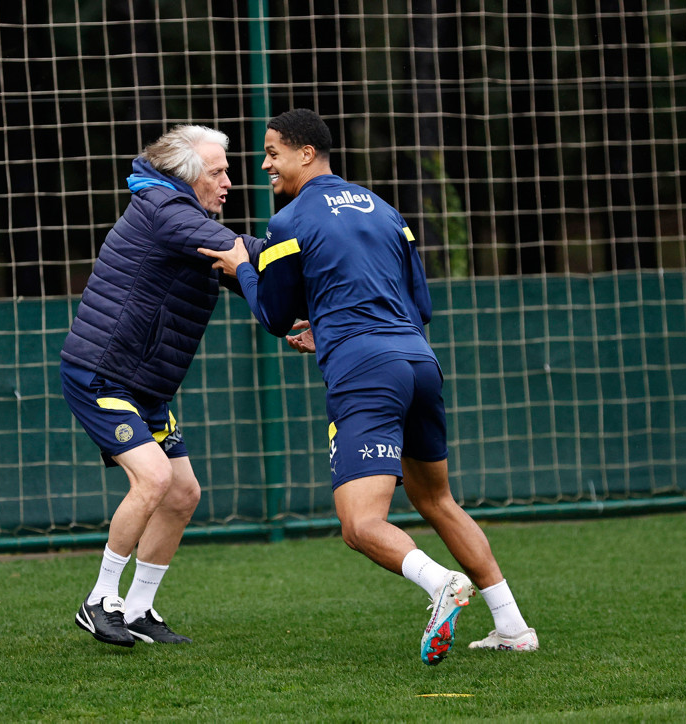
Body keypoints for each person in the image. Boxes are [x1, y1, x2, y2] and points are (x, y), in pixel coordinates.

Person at [198, 109, 538, 665]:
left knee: (359, 524)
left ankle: (440, 584)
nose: (264, 165)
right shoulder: (385, 211)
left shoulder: (289, 222)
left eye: (272, 152)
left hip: (365, 371)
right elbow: (419, 305)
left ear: (306, 154)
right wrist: (332, 323)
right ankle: (514, 626)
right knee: (437, 499)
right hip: (419, 360)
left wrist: (243, 269)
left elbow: (276, 315)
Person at [61, 124, 262, 647]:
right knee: (152, 480)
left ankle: (138, 608)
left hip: (146, 386)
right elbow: (247, 254)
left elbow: (241, 274)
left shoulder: (183, 216)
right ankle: (100, 599)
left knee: (182, 494)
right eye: (218, 172)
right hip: (101, 374)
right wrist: (326, 250)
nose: (229, 182)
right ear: (186, 176)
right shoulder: (166, 212)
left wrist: (292, 322)